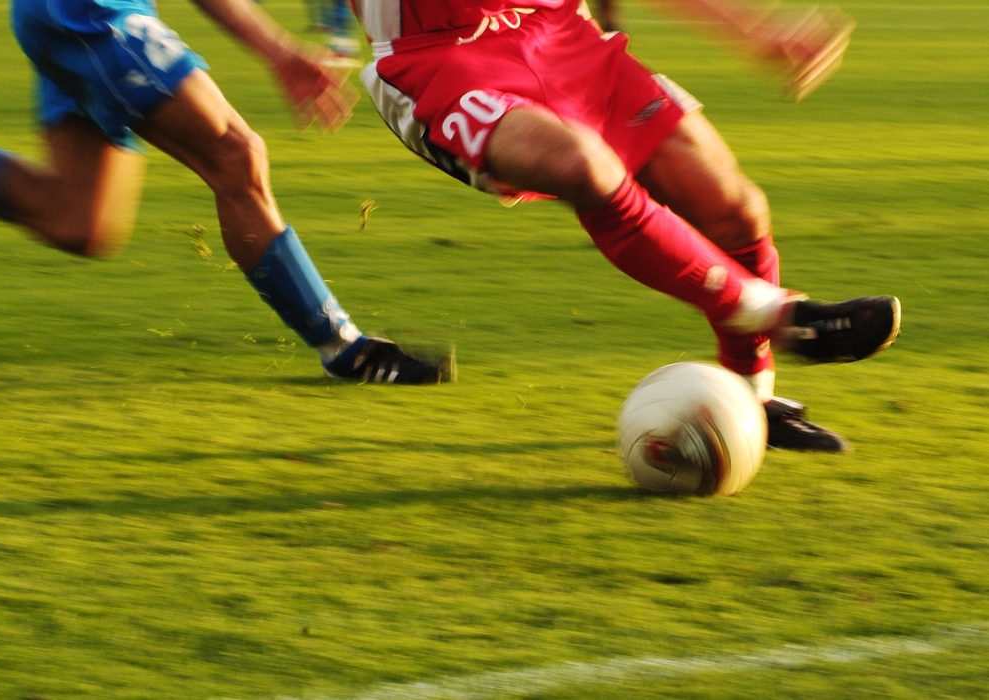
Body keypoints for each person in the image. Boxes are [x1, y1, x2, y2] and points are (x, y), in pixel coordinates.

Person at [349, 0, 900, 450]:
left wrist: (756, 29)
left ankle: (752, 403)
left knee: (736, 211)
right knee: (583, 168)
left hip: (561, 33)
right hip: (440, 55)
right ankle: (780, 315)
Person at [0, 0, 446, 384]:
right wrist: (279, 50)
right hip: (89, 11)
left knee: (77, 222)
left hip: (67, 14)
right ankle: (344, 348)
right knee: (236, 156)